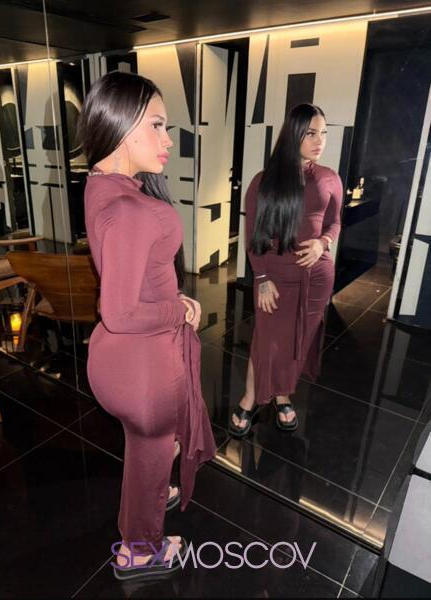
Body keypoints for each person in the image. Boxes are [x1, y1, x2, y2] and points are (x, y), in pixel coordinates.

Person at [77, 71, 216, 580]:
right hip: (143, 367)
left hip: (116, 363)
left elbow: (128, 281)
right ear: (120, 124)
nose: (168, 139)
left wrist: (168, 295)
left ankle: (153, 492)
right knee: (153, 449)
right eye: (157, 125)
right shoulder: (132, 208)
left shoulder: (99, 184)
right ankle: (139, 551)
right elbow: (119, 312)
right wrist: (178, 309)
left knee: (147, 451)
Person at [230, 103, 343, 436]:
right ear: (294, 134)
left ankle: (282, 395)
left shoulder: (330, 178)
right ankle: (251, 397)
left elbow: (335, 222)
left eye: (324, 133)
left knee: (298, 341)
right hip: (275, 277)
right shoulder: (263, 181)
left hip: (317, 277)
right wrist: (262, 278)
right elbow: (253, 236)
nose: (319, 141)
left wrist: (323, 243)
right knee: (267, 341)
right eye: (311, 133)